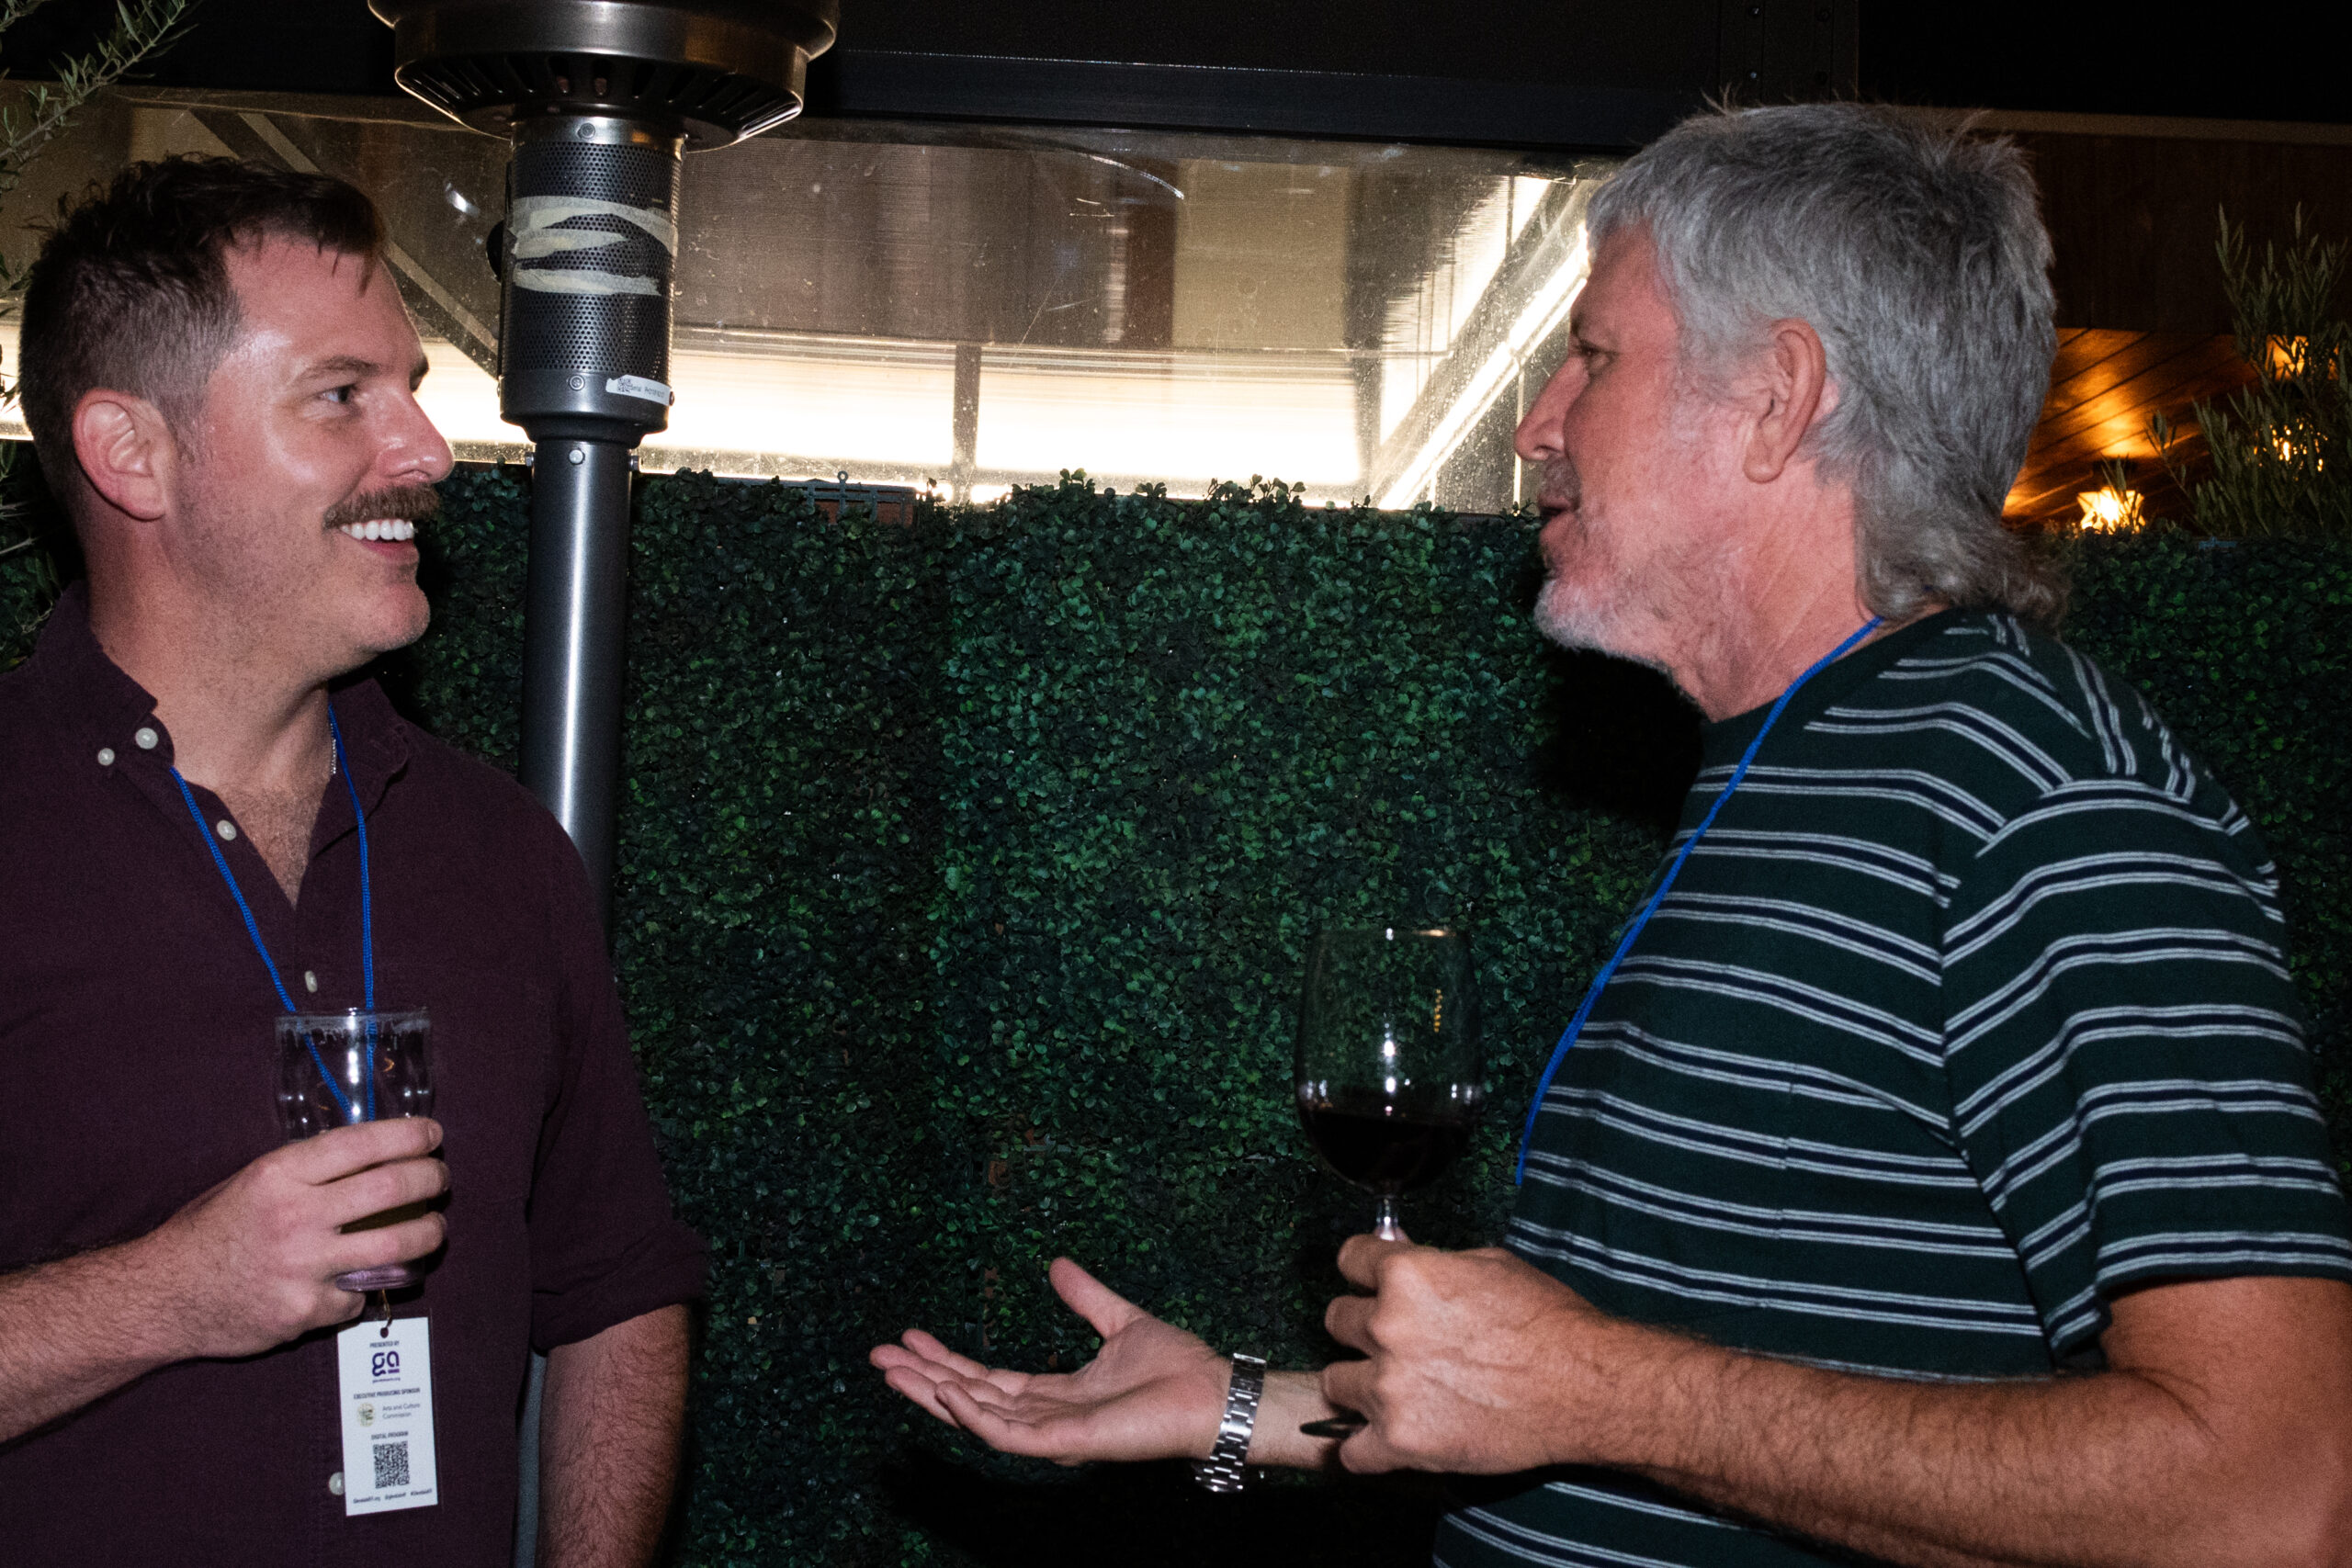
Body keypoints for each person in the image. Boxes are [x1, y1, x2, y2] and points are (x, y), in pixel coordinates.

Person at [873, 104, 2352, 1567]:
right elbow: (1620, 1397)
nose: (1539, 423)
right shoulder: (1800, 761)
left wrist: (1600, 1389)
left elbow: (2274, 1500)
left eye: (1594, 356)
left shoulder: (2049, 802)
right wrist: (1241, 1408)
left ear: (1777, 399)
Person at [0, 158, 706, 1566]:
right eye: (341, 396)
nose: (426, 451)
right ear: (132, 452)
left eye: (413, 389)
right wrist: (171, 1293)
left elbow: (618, 1293)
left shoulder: (501, 853)